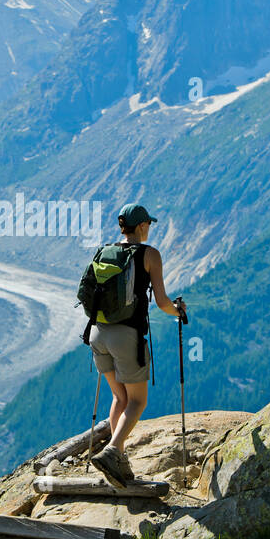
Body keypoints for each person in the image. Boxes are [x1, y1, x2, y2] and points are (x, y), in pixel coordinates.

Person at [88, 203, 186, 490]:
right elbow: (162, 302)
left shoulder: (104, 251)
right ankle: (113, 451)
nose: (150, 229)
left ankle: (118, 459)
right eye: (149, 225)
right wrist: (179, 312)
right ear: (141, 226)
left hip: (97, 333)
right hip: (125, 337)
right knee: (138, 401)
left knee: (119, 397)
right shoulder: (149, 254)